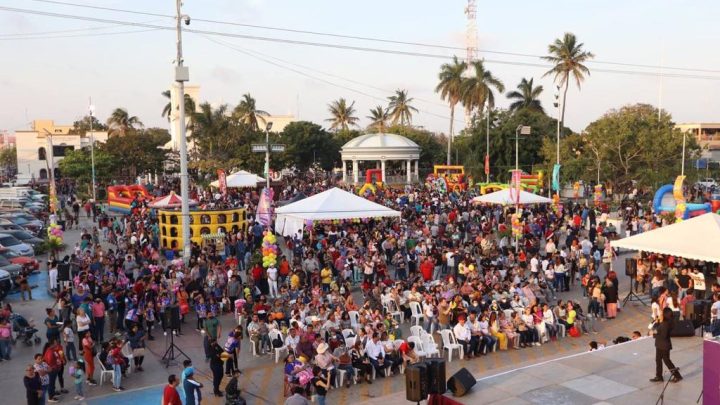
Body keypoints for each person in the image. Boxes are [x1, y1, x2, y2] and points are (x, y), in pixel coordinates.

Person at [650, 307, 683, 383]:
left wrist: (654, 334)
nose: (660, 314)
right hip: (660, 344)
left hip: (663, 345)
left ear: (665, 314)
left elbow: (663, 335)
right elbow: (658, 329)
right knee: (658, 360)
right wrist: (657, 322)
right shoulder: (665, 322)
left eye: (661, 313)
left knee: (667, 361)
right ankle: (659, 376)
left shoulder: (665, 324)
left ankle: (677, 376)